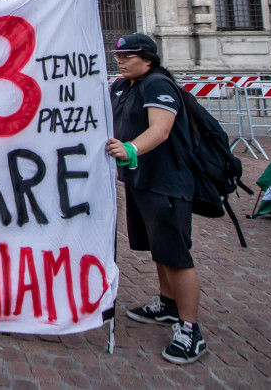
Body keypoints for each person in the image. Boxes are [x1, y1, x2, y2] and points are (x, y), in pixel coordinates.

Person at [105, 33, 207, 364]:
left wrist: (131, 148)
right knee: (158, 248)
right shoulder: (122, 87)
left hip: (166, 183)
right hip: (139, 180)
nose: (121, 60)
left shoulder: (157, 84)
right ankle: (168, 304)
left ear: (148, 59)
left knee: (175, 254)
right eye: (119, 56)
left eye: (129, 56)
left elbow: (160, 129)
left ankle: (191, 330)